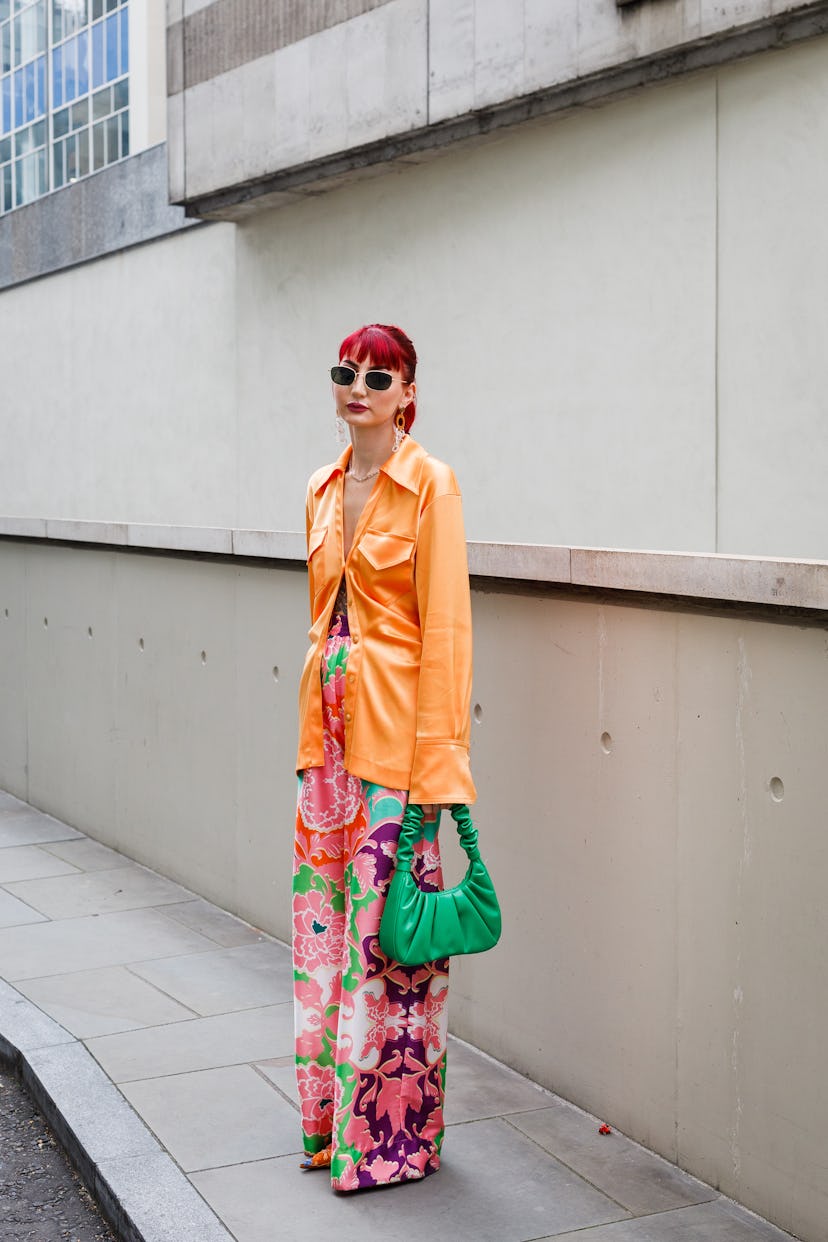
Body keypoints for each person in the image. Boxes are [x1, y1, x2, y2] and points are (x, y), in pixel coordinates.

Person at [292, 323, 476, 1191]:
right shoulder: (324, 490)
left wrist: (440, 768)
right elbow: (324, 619)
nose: (358, 386)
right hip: (324, 746)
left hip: (396, 750)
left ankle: (391, 1143)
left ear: (407, 392)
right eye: (346, 372)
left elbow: (446, 631)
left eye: (379, 374)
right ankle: (329, 1127)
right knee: (324, 938)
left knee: (390, 947)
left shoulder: (431, 485)